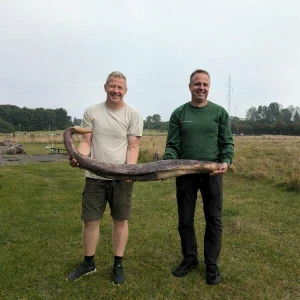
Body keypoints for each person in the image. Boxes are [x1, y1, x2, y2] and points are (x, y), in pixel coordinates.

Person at [66, 71, 143, 285]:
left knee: (120, 220)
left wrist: (130, 171)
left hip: (121, 178)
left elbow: (133, 146)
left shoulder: (132, 115)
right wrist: (79, 157)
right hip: (94, 176)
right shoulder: (92, 112)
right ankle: (88, 262)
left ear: (125, 91)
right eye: (112, 86)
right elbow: (86, 142)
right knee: (90, 220)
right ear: (105, 87)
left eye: (120, 87)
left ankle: (118, 263)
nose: (115, 90)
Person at [163, 69, 234, 285]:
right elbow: (173, 145)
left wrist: (226, 162)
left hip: (212, 172)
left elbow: (227, 143)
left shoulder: (220, 113)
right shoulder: (179, 114)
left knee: (214, 218)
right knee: (185, 218)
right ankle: (190, 259)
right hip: (185, 173)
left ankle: (211, 265)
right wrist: (168, 162)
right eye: (197, 84)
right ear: (190, 87)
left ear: (209, 87)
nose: (201, 87)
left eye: (205, 84)